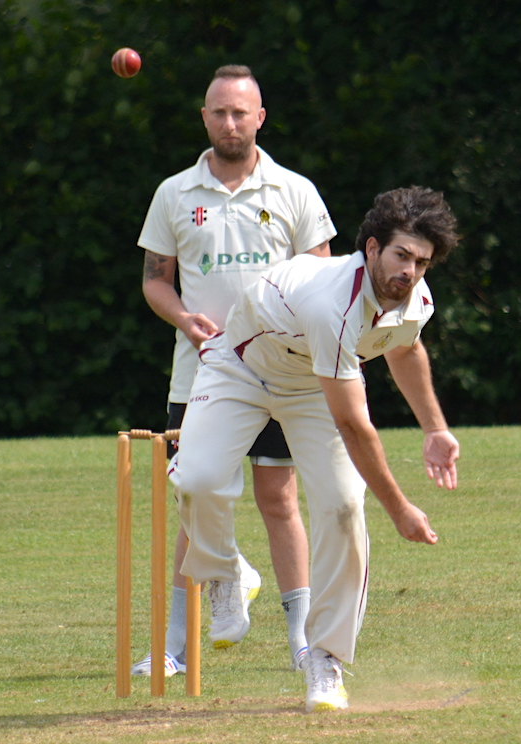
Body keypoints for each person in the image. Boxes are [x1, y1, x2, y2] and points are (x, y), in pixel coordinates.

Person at [170, 186, 461, 712]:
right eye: (401, 256)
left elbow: (404, 346)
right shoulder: (334, 303)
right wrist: (399, 509)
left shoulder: (415, 299)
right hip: (240, 367)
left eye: (421, 262)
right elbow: (352, 425)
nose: (410, 272)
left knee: (344, 507)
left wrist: (434, 428)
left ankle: (325, 660)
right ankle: (227, 573)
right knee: (196, 480)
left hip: (309, 384)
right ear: (371, 248)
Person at [133, 64, 337, 676]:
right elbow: (155, 281)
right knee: (194, 502)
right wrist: (184, 319)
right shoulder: (174, 193)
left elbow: (323, 281)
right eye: (219, 112)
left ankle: (303, 642)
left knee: (279, 499)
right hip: (201, 375)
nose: (229, 123)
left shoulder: (294, 191)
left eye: (240, 112)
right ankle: (175, 646)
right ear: (204, 118)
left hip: (279, 373)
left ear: (260, 117)